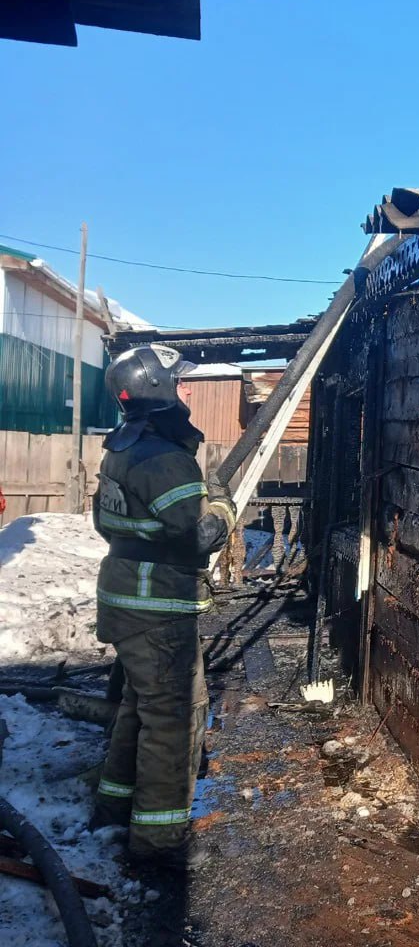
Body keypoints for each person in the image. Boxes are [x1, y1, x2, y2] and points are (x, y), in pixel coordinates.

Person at [88, 344, 235, 869]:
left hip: (128, 597)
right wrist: (223, 504)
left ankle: (115, 802)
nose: (187, 388)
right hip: (156, 605)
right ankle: (159, 841)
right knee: (173, 718)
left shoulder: (123, 446)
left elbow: (109, 522)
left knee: (140, 706)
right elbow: (199, 535)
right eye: (180, 380)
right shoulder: (165, 459)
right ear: (157, 388)